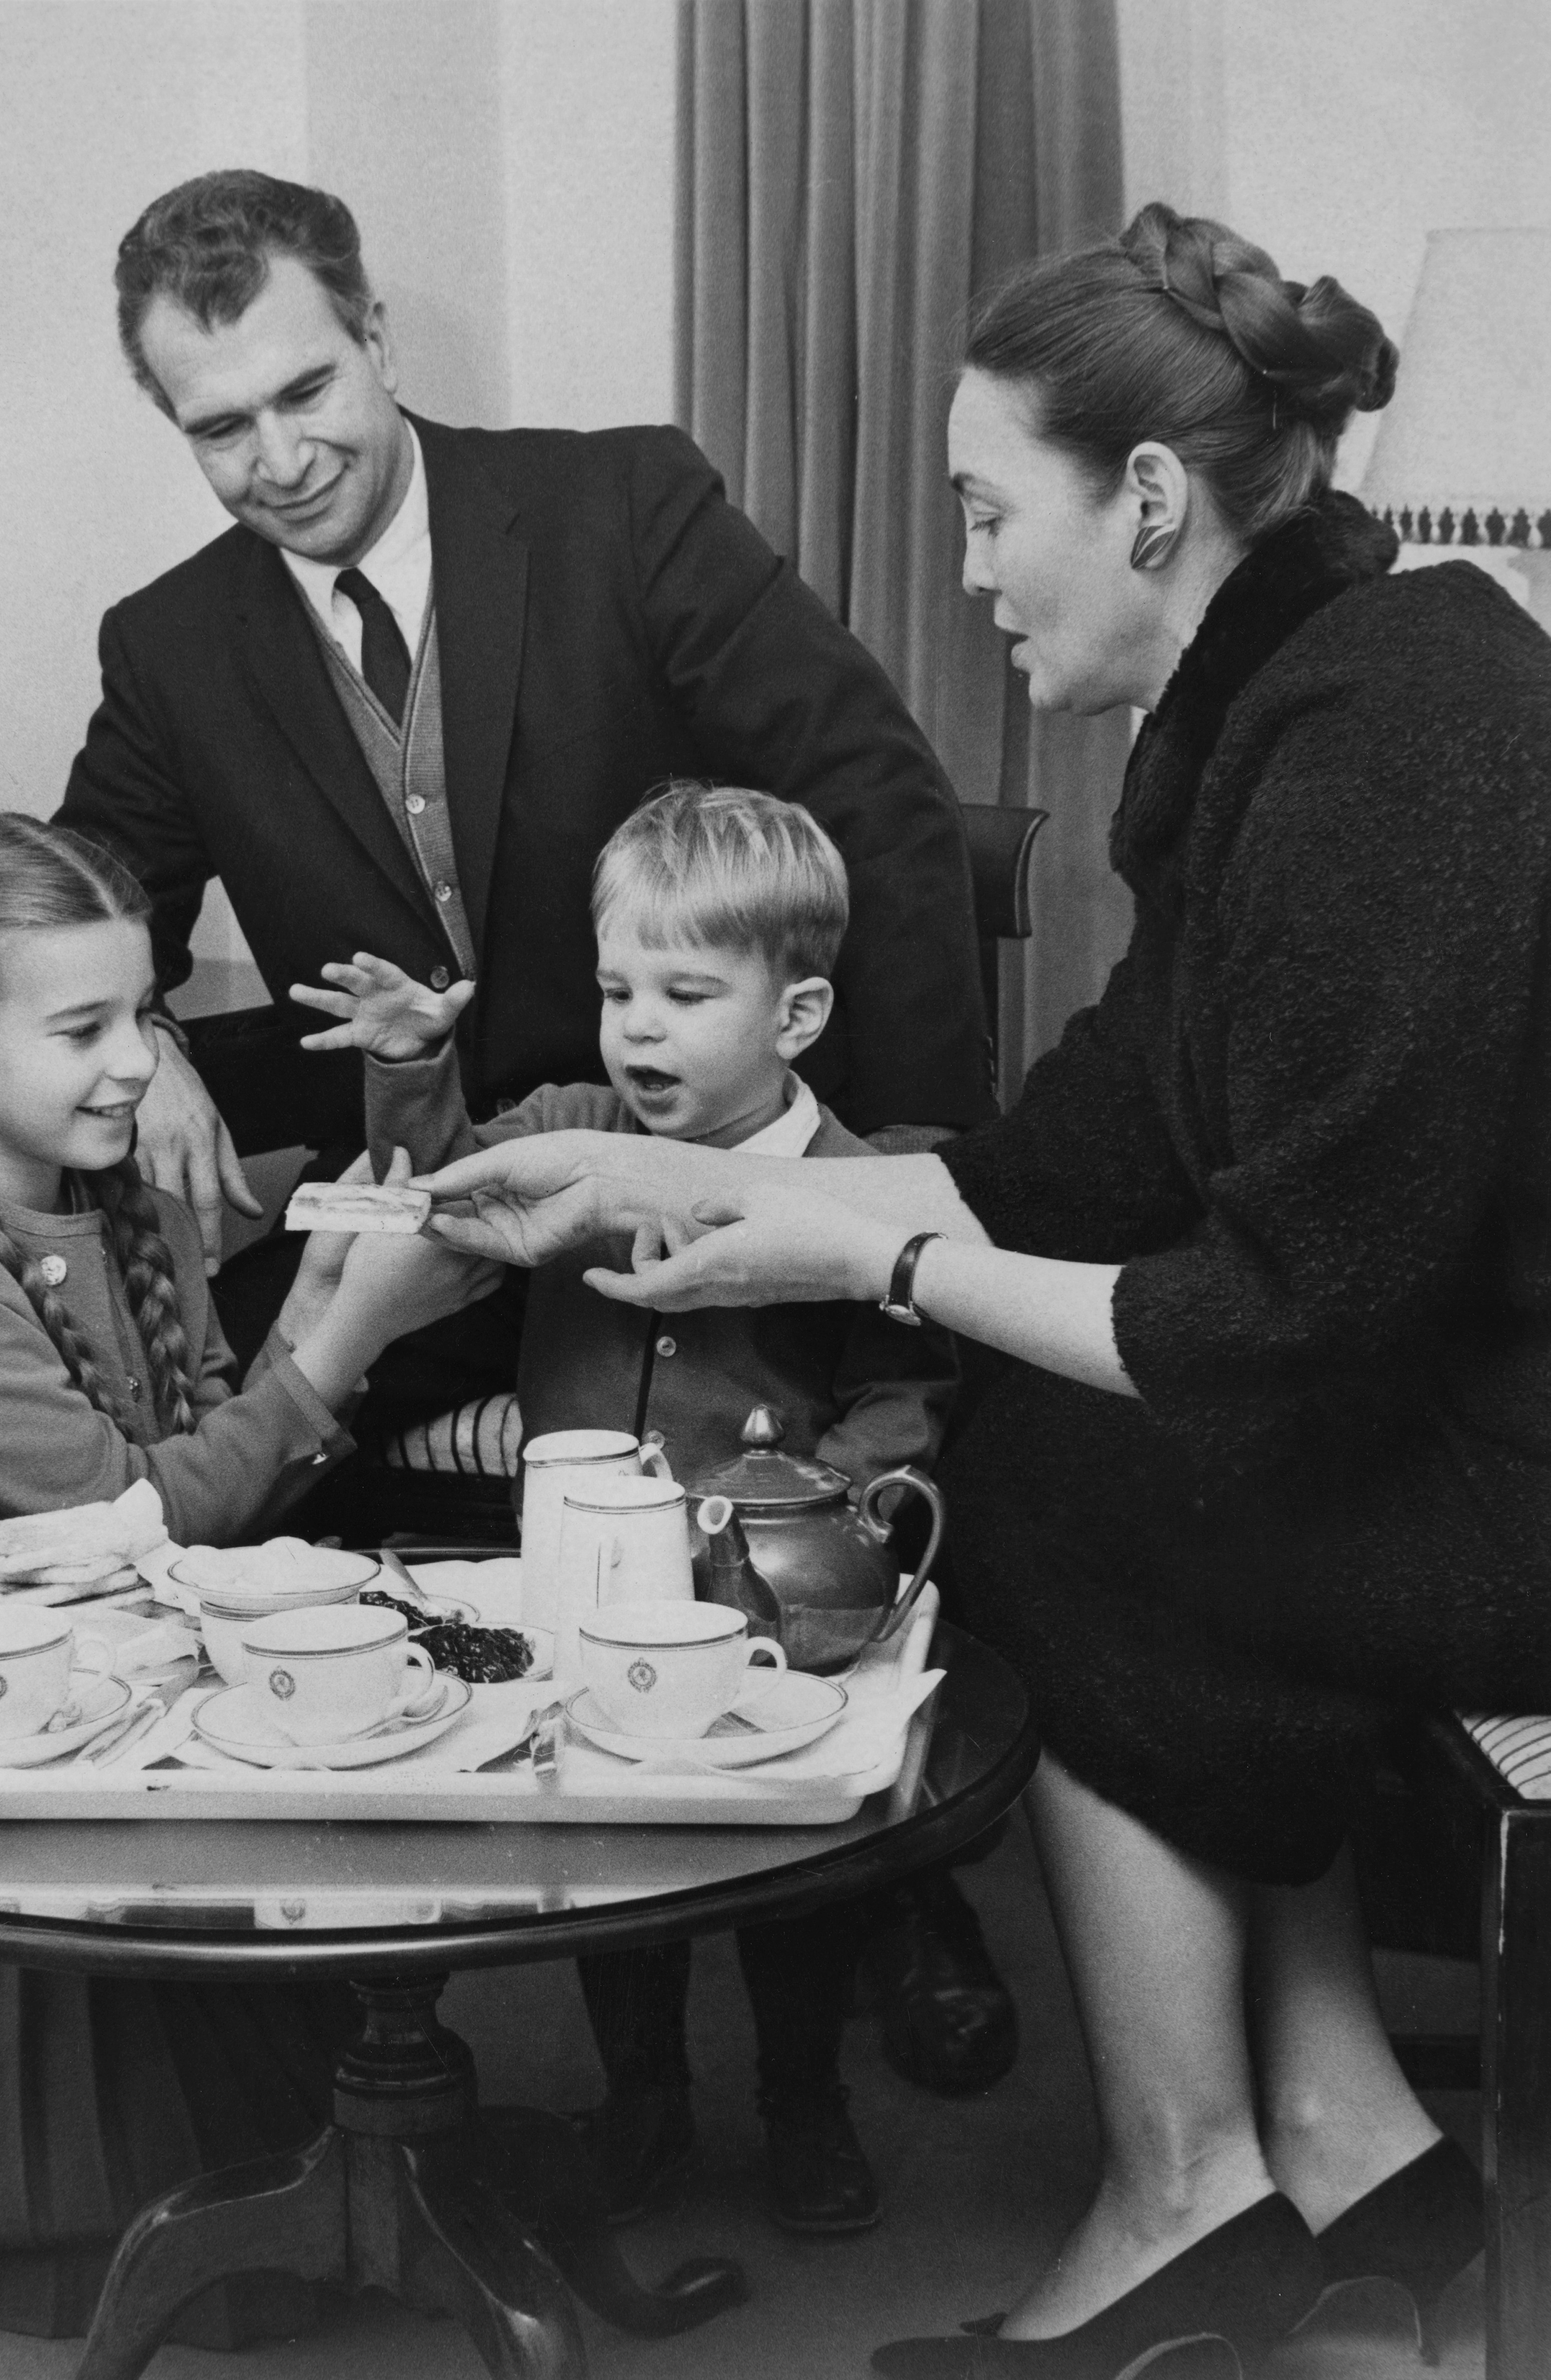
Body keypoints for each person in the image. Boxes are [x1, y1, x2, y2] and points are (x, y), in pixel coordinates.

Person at [419, 201, 1551, 2375]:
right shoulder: (1288, 715)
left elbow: (1278, 1320)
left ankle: (1187, 2183)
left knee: (1035, 1473)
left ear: (1142, 500)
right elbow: (1084, 1163)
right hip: (1445, 1412)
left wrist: (879, 1248)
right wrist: (643, 1167)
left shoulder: (1397, 743)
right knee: (1087, 1446)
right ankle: (1352, 2136)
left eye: (978, 510)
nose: (962, 574)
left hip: (1515, 1478)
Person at [55, 166, 1013, 2097]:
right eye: (214, 425)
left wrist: (882, 1181)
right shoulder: (168, 646)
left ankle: (882, 1867)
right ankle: (344, 1971)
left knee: (829, 1475)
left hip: (698, 1204)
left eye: (305, 391)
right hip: (435, 1236)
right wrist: (142, 1015)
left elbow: (879, 805)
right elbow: (83, 878)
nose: (275, 455)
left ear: (378, 334)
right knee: (234, 1451)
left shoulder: (616, 506)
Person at [0, 814, 499, 2342]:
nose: (139, 1059)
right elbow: (132, 1520)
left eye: (142, 1011)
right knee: (217, 2240)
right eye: (80, 1027)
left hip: (130, 1702)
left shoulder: (123, 1195)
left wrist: (324, 1298)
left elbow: (220, 1469)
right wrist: (341, 1343)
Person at [293, 783, 958, 2234]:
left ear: (795, 1015)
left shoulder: (860, 1186)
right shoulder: (575, 1124)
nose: (636, 1026)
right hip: (588, 1579)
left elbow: (906, 1390)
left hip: (770, 1600)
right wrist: (413, 1067)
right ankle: (645, 2096)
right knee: (612, 1853)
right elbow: (443, 1187)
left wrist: (837, 1504)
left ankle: (803, 2100)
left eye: (683, 991)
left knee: (789, 1868)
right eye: (614, 990)